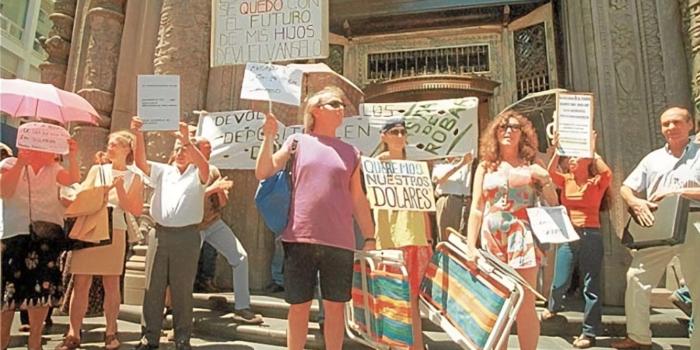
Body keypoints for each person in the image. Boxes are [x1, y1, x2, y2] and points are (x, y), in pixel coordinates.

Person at [254, 86, 375, 350]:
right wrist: (268, 137)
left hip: (340, 242)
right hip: (299, 238)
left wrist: (370, 236)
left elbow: (358, 200)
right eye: (333, 103)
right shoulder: (296, 141)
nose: (341, 108)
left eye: (342, 104)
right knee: (299, 307)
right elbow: (263, 171)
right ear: (315, 110)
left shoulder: (352, 152)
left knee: (335, 310)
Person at [465, 110, 558, 350]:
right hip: (491, 237)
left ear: (522, 134)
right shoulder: (486, 166)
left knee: (525, 302)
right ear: (495, 133)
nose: (508, 131)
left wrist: (545, 179)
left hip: (521, 235)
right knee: (498, 300)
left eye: (514, 127)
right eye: (502, 127)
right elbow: (476, 208)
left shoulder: (533, 164)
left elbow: (553, 202)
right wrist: (470, 246)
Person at [611, 107, 700, 349]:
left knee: (698, 286)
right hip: (658, 224)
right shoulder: (653, 158)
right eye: (666, 124)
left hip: (694, 221)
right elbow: (626, 187)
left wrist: (678, 191)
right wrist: (635, 201)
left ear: (690, 124)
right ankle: (638, 337)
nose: (671, 128)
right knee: (636, 277)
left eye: (676, 122)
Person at [56, 131, 144, 350]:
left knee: (111, 283)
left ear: (128, 149)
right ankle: (73, 332)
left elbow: (135, 209)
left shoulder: (135, 177)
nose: (110, 146)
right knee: (81, 282)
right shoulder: (97, 170)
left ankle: (111, 332)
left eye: (116, 144)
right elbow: (82, 194)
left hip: (115, 229)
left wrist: (120, 189)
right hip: (90, 228)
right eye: (109, 143)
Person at [131, 117, 209, 350]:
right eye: (178, 149)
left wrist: (188, 141)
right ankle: (149, 336)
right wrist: (138, 134)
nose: (182, 153)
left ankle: (183, 337)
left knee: (182, 289)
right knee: (153, 287)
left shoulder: (199, 173)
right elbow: (140, 162)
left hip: (187, 237)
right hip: (160, 234)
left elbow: (204, 166)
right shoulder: (163, 171)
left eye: (185, 149)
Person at [1, 136, 79, 350]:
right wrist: (20, 163)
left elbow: (72, 178)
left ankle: (35, 340)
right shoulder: (8, 164)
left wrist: (72, 154)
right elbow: (4, 191)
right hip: (15, 235)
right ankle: (2, 340)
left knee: (42, 290)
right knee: (8, 291)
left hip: (46, 235)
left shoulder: (54, 169)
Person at [540, 131, 612, 348]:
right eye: (569, 157)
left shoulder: (596, 182)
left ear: (587, 161)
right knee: (560, 278)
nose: (571, 160)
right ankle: (553, 307)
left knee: (591, 284)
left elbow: (608, 172)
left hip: (591, 234)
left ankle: (589, 333)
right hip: (569, 234)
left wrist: (592, 147)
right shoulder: (567, 179)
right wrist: (557, 149)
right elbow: (549, 172)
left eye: (576, 157)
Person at [372, 117, 433, 349]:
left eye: (402, 132)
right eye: (394, 132)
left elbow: (425, 205)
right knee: (392, 298)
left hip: (415, 238)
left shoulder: (415, 166)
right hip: (389, 239)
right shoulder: (375, 164)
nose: (399, 136)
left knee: (414, 301)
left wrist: (428, 237)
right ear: (384, 136)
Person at [193, 137, 263, 324]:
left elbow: (222, 203)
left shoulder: (213, 170)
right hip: (192, 227)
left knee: (240, 257)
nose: (209, 152)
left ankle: (242, 307)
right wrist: (209, 189)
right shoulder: (187, 171)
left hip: (213, 223)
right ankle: (176, 311)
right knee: (185, 269)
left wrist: (221, 192)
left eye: (210, 149)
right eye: (206, 149)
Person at [431, 153, 474, 240]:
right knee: (445, 237)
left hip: (463, 201)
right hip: (445, 200)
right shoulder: (439, 162)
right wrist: (461, 164)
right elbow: (438, 180)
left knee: (461, 238)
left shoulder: (468, 158)